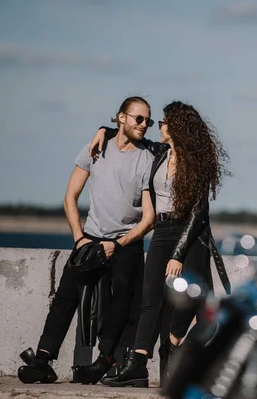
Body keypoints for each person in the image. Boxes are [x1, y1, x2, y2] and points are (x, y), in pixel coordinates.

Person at [80, 101, 230, 387]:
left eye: (163, 122)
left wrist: (178, 254)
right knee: (151, 299)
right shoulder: (159, 152)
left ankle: (173, 344)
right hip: (161, 230)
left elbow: (199, 213)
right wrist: (104, 129)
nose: (158, 126)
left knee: (188, 301)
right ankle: (137, 363)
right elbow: (129, 133)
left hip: (189, 234)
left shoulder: (195, 161)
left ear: (177, 127)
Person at [17, 96, 156, 385]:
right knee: (65, 296)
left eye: (148, 120)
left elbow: (149, 217)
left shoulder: (147, 158)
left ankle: (105, 360)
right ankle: (43, 358)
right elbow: (70, 196)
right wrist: (80, 238)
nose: (144, 125)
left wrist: (117, 244)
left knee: (122, 301)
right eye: (138, 119)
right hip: (89, 239)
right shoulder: (96, 148)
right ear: (121, 118)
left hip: (125, 243)